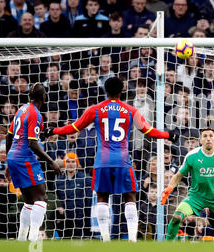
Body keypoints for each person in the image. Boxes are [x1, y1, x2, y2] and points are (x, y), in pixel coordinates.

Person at [42, 77, 179, 242]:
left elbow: (74, 127)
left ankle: (105, 238)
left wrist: (53, 130)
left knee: (102, 198)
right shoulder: (130, 110)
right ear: (122, 90)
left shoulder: (95, 109)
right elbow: (148, 131)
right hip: (123, 161)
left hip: (102, 162)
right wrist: (168, 135)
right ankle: (133, 239)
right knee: (130, 198)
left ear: (105, 91)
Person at [5, 83, 62, 242]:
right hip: (25, 158)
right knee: (42, 198)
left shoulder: (21, 109)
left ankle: (21, 239)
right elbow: (31, 143)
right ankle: (33, 238)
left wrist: (9, 162)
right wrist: (51, 161)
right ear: (43, 97)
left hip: (14, 157)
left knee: (29, 201)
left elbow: (9, 136)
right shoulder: (36, 114)